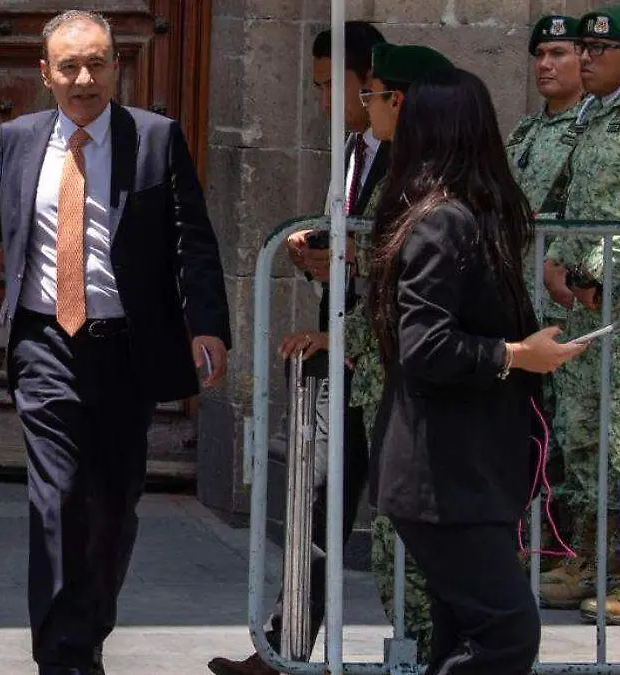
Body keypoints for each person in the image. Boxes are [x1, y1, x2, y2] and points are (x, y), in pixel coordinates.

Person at [0, 10, 231, 674]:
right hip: (44, 343)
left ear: (116, 66)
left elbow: (192, 241)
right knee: (57, 496)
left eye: (96, 64)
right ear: (45, 73)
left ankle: (87, 634)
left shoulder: (154, 139)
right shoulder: (19, 139)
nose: (84, 79)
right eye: (69, 67)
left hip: (124, 349)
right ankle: (62, 657)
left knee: (112, 504)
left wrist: (207, 325)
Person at [367, 66, 586, 673]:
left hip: (462, 472)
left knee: (464, 634)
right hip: (444, 476)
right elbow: (425, 344)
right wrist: (516, 354)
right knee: (506, 633)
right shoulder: (444, 221)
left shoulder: (456, 216)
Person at [208, 21, 387, 675]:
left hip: (383, 359)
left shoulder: (408, 155)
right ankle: (286, 649)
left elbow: (404, 248)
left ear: (369, 81)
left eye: (330, 86)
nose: (321, 101)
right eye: (314, 88)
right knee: (314, 501)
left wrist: (348, 255)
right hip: (335, 352)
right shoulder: (353, 149)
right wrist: (314, 252)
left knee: (394, 518)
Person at [349, 42, 455, 664]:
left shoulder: (431, 185)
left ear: (403, 100)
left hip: (418, 385)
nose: (366, 106)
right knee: (392, 539)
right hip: (385, 376)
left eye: (373, 95)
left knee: (412, 545)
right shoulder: (398, 170)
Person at [539, 5, 620, 623]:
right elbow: (572, 202)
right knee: (587, 438)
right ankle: (594, 559)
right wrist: (557, 264)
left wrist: (597, 276)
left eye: (600, 50)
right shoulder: (592, 119)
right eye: (585, 50)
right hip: (585, 308)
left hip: (612, 300)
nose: (586, 58)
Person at [504, 14, 585, 576]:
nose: (545, 65)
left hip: (566, 303)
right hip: (521, 300)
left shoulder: (593, 131)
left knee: (574, 431)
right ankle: (539, 541)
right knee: (533, 428)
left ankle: (577, 550)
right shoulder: (526, 132)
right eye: (540, 55)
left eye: (558, 53)